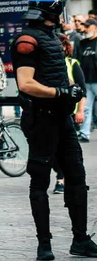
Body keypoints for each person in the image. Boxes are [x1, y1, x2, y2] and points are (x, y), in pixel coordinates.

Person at [11, 0, 97, 260]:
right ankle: (44, 244)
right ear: (54, 8)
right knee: (40, 181)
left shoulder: (51, 37)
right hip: (41, 120)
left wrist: (71, 90)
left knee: (77, 178)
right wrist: (60, 92)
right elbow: (25, 84)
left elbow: (57, 74)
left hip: (63, 119)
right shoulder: (27, 40)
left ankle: (81, 240)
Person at [52, 34, 86, 195]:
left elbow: (83, 91)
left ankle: (61, 178)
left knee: (65, 148)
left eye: (61, 45)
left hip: (68, 113)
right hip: (49, 113)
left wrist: (80, 111)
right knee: (51, 150)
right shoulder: (46, 64)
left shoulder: (73, 64)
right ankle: (62, 173)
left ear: (66, 47)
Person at [77, 18, 97, 142]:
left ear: (95, 28)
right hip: (86, 80)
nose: (85, 29)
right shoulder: (82, 43)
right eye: (85, 27)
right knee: (85, 108)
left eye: (88, 27)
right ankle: (84, 134)